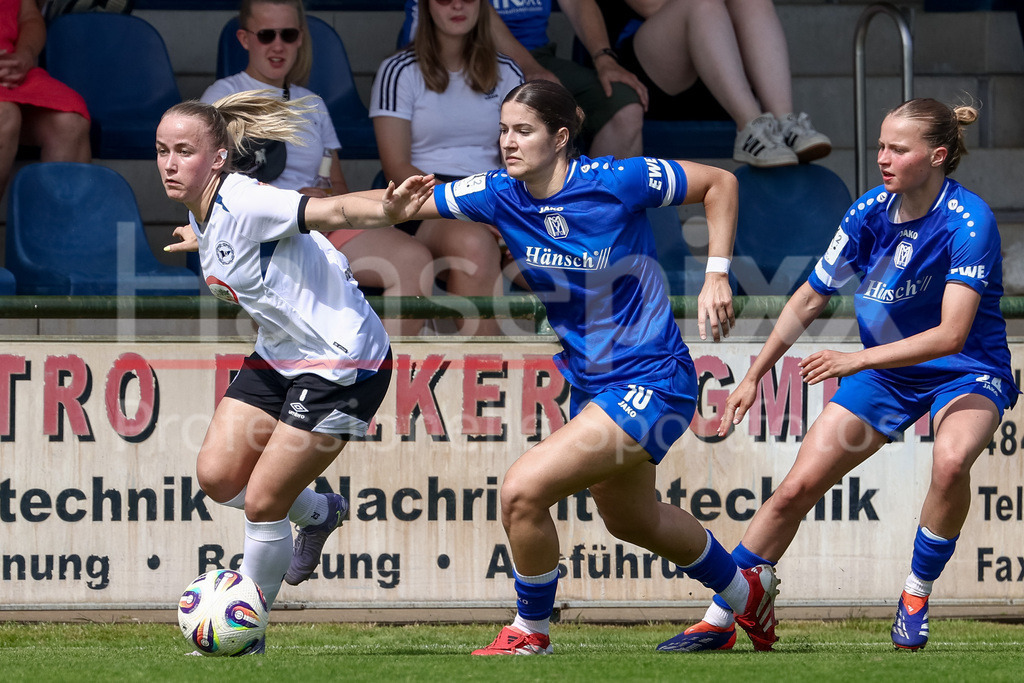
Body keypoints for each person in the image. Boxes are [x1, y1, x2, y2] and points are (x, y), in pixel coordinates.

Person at [406, 79, 779, 655]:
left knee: (523, 490)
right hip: (595, 383)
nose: (507, 141)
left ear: (560, 138)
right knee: (632, 518)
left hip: (654, 379)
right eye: (502, 130)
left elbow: (720, 182)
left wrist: (716, 272)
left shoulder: (615, 180)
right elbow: (390, 205)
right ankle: (743, 590)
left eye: (522, 130)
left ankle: (530, 631)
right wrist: (298, 214)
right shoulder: (499, 193)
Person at [659, 98, 1019, 653]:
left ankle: (916, 594)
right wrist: (756, 372)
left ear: (938, 155)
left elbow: (950, 336)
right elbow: (809, 297)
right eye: (880, 145)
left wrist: (854, 359)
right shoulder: (869, 210)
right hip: (889, 376)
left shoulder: (969, 220)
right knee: (795, 489)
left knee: (950, 463)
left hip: (963, 370)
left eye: (899, 148)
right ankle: (721, 616)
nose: (883, 157)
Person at [159, 91, 433, 653]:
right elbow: (238, 245)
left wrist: (390, 209)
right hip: (282, 353)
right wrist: (201, 237)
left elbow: (330, 211)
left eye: (184, 151)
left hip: (351, 365)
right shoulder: (204, 209)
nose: (168, 163)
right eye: (161, 150)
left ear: (216, 159)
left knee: (262, 502)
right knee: (216, 477)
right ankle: (321, 511)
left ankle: (247, 634)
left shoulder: (246, 200)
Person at [202, 0, 433, 337]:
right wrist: (287, 200)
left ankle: (374, 372)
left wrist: (322, 197)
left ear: (300, 39)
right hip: (257, 232)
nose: (278, 45)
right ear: (244, 38)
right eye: (267, 35)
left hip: (319, 223)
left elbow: (336, 185)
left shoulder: (313, 103)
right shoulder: (223, 97)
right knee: (275, 286)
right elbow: (208, 185)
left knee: (415, 260)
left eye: (289, 34)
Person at [371, 0, 525, 336]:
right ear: (425, 7)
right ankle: (489, 372)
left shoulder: (509, 72)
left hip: (493, 197)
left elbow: (521, 159)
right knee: (474, 242)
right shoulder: (398, 70)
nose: (457, 5)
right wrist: (471, 206)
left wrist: (506, 211)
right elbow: (395, 165)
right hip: (423, 199)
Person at [399, 0, 648, 160]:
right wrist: (528, 68)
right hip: (465, 51)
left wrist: (603, 57)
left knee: (623, 106)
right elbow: (475, 7)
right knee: (533, 112)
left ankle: (595, 216)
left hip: (538, 53)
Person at [596, 0, 830, 168]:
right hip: (650, 73)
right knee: (703, 4)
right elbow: (651, 6)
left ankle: (784, 123)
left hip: (721, 71)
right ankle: (751, 128)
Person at [0, 0, 91, 201]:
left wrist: (24, 54)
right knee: (4, 115)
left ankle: (60, 228)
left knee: (69, 121)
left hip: (10, 68)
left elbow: (29, 18)